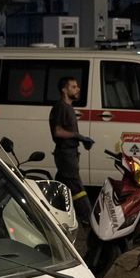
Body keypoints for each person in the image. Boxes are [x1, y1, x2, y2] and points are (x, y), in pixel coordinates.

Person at [49, 76, 94, 223]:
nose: (78, 89)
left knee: (59, 186)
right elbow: (58, 131)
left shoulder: (68, 107)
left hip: (70, 153)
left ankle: (47, 213)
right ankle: (89, 218)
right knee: (76, 186)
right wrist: (78, 136)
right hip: (65, 154)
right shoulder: (61, 107)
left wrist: (79, 139)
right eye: (73, 86)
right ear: (64, 90)